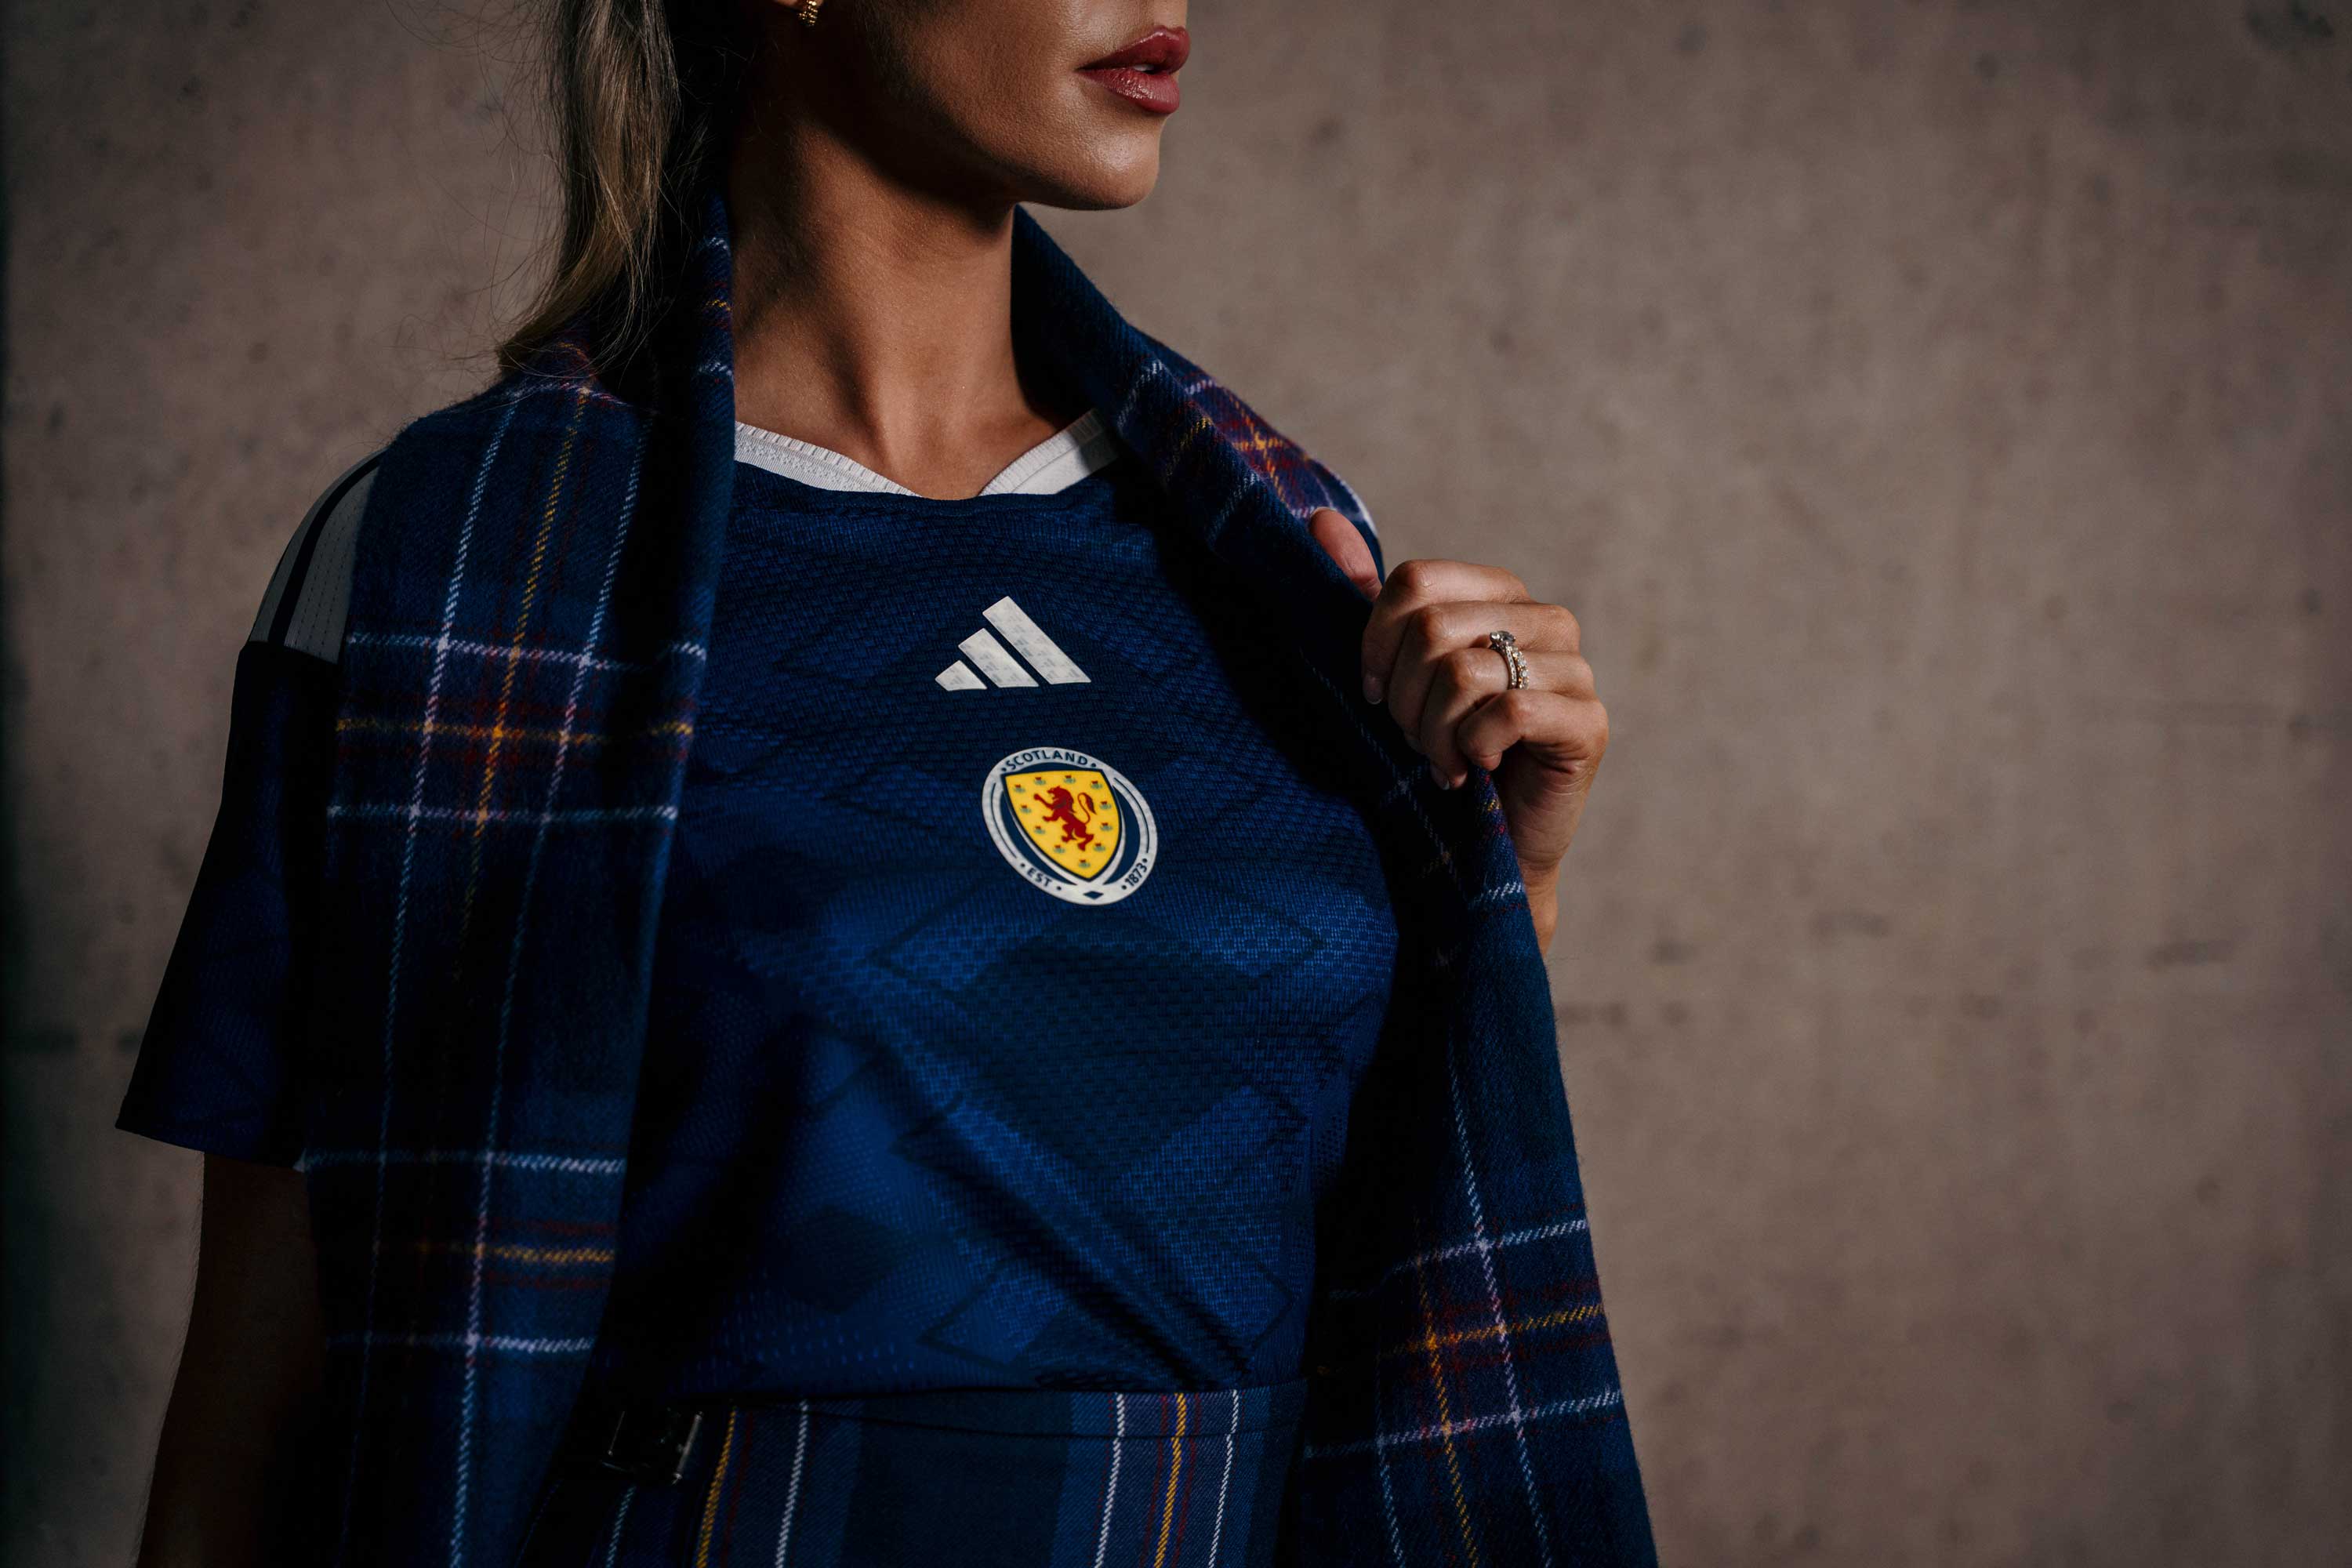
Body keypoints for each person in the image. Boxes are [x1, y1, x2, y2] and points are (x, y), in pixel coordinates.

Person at [118, 2, 1652, 1563]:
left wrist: (1504, 878)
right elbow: (260, 1407)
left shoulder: (1281, 544)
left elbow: (1399, 1234)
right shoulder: (459, 572)